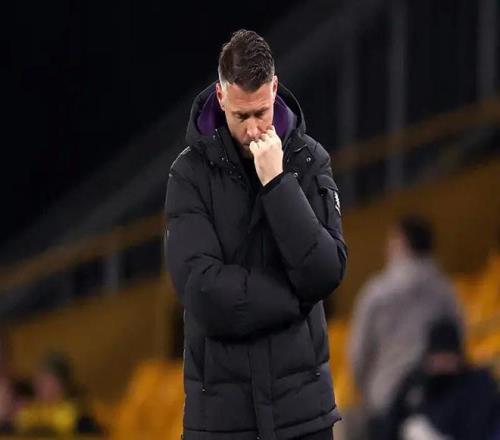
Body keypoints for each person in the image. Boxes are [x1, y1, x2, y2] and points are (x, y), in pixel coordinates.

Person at [165, 29, 347, 440]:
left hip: (304, 416)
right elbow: (203, 293)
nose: (252, 129)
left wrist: (278, 183)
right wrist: (294, 298)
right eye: (241, 116)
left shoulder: (309, 160)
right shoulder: (188, 174)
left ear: (275, 89)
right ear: (221, 96)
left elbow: (325, 272)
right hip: (222, 423)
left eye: (261, 113)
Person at [348, 216, 462, 439]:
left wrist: (368, 392)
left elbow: (359, 353)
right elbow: (458, 336)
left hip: (386, 400)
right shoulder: (443, 289)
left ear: (401, 243)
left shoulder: (376, 293)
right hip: (437, 399)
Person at [385, 318, 500, 440]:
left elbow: (479, 427)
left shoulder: (477, 385)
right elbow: (391, 424)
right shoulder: (415, 385)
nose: (442, 365)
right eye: (438, 359)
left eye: (447, 359)